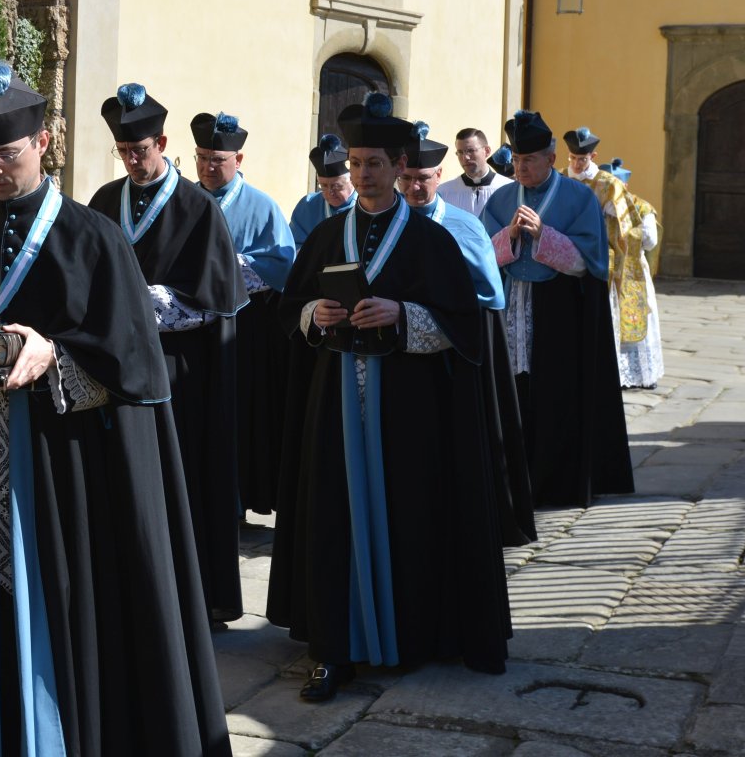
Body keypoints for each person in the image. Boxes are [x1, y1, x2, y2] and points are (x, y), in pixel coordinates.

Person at [0, 59, 230, 756]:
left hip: (65, 472)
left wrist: (53, 355)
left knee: (61, 609)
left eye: (7, 153)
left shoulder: (94, 237)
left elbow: (134, 368)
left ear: (44, 141)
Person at [267, 92, 511, 703]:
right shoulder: (326, 236)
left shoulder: (432, 241)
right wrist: (315, 315)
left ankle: (407, 637)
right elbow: (290, 312)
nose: (362, 174)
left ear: (400, 165)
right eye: (355, 163)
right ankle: (334, 648)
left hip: (410, 413)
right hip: (335, 408)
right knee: (334, 518)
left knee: (411, 516)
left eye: (374, 163)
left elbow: (465, 324)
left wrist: (403, 315)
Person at [88, 84, 248, 627]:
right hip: (116, 368)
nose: (132, 161)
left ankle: (187, 598)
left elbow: (215, 301)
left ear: (161, 143)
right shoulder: (105, 201)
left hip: (180, 372)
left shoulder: (197, 208)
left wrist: (146, 302)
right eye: (123, 152)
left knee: (179, 481)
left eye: (140, 150)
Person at [481, 112, 633, 508]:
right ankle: (514, 480)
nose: (520, 168)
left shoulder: (578, 198)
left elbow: (589, 262)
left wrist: (543, 235)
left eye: (529, 160)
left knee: (556, 395)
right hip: (512, 303)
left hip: (560, 310)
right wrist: (510, 235)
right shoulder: (501, 199)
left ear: (550, 159)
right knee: (513, 391)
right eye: (516, 160)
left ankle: (556, 483)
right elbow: (481, 255)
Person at [398, 123, 535, 545]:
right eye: (407, 179)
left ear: (438, 176)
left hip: (455, 356)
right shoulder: (388, 222)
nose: (414, 188)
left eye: (423, 179)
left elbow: (487, 294)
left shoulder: (464, 226)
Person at [189, 111, 296, 519]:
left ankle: (234, 501)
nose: (207, 167)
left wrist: (228, 268)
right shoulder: (183, 199)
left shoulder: (262, 206)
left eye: (217, 160)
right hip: (188, 330)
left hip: (242, 331)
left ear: (239, 159)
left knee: (236, 418)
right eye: (202, 158)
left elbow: (282, 265)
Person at [564, 132, 664, 389]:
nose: (576, 164)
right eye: (573, 158)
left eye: (582, 159)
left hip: (610, 263)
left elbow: (628, 228)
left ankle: (624, 373)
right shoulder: (561, 178)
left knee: (616, 318)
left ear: (593, 156)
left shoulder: (608, 185)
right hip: (570, 257)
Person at [289, 134, 356, 246]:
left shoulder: (367, 203)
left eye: (336, 186)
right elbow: (292, 245)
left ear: (351, 180)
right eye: (323, 186)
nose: (330, 192)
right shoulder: (308, 206)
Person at [437, 127, 515, 218]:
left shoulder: (509, 189)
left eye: (470, 151)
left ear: (487, 151)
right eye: (460, 152)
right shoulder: (444, 192)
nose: (465, 158)